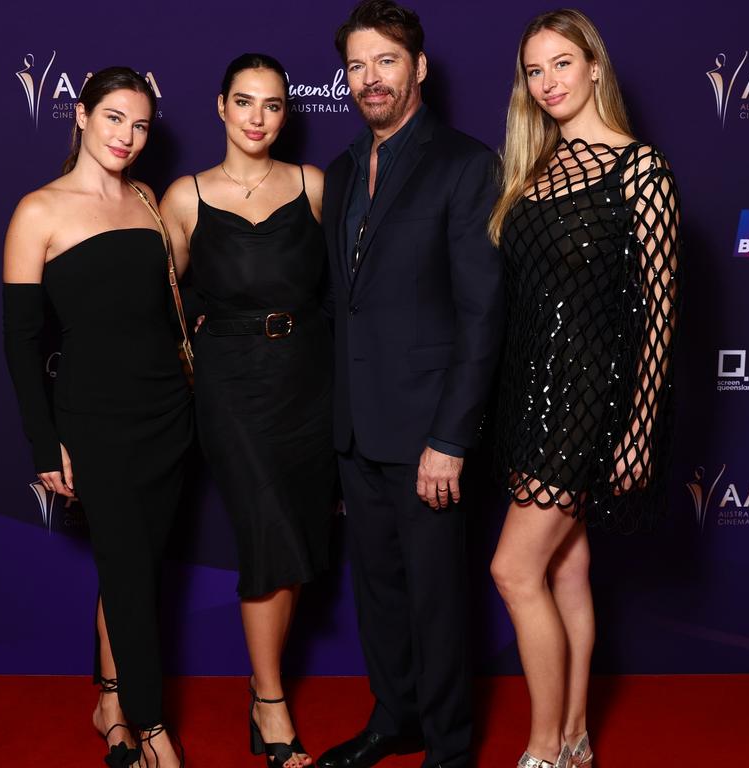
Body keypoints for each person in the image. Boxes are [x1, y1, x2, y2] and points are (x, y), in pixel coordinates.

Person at [487, 9, 680, 768]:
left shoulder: (641, 168)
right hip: (526, 394)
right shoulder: (533, 171)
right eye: (535, 71)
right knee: (566, 567)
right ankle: (573, 740)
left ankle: (538, 751)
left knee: (514, 568)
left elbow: (660, 314)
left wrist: (638, 427)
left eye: (562, 64)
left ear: (595, 67)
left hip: (587, 399)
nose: (548, 83)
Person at [316, 2, 504, 767]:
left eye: (385, 62)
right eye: (357, 66)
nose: (370, 80)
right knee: (381, 595)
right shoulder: (336, 170)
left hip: (429, 433)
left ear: (419, 68)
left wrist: (451, 439)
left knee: (436, 599)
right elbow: (345, 307)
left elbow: (482, 312)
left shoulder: (465, 163)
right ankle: (393, 718)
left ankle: (450, 748)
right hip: (357, 428)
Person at [3, 67, 190, 768]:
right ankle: (152, 732)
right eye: (114, 118)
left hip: (168, 413)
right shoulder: (38, 211)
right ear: (80, 114)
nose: (127, 136)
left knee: (137, 569)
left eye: (140, 125)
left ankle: (109, 702)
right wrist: (44, 444)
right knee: (129, 569)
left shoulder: (146, 198)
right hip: (94, 421)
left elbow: (165, 309)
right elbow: (20, 343)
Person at [159, 53, 335, 768]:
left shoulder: (314, 186)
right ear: (221, 107)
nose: (258, 117)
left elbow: (348, 284)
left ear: (285, 113)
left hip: (309, 380)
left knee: (294, 541)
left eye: (272, 105)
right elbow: (161, 299)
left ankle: (265, 694)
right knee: (267, 534)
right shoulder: (184, 195)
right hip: (231, 385)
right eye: (245, 102)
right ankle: (269, 703)